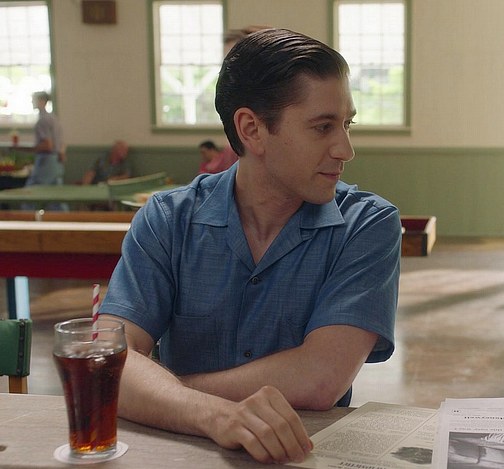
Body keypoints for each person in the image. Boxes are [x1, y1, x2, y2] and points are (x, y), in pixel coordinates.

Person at [98, 28, 401, 464]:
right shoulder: (168, 219)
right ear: (252, 129)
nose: (345, 149)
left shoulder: (367, 225)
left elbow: (320, 378)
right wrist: (212, 415)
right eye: (323, 127)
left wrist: (164, 391)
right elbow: (109, 359)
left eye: (346, 124)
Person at [26, 91, 65, 187]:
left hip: (46, 161)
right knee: (54, 191)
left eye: (34, 100)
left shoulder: (43, 121)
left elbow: (48, 145)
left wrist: (25, 149)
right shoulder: (54, 118)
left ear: (42, 101)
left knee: (35, 189)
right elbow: (61, 143)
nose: (32, 102)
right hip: (57, 160)